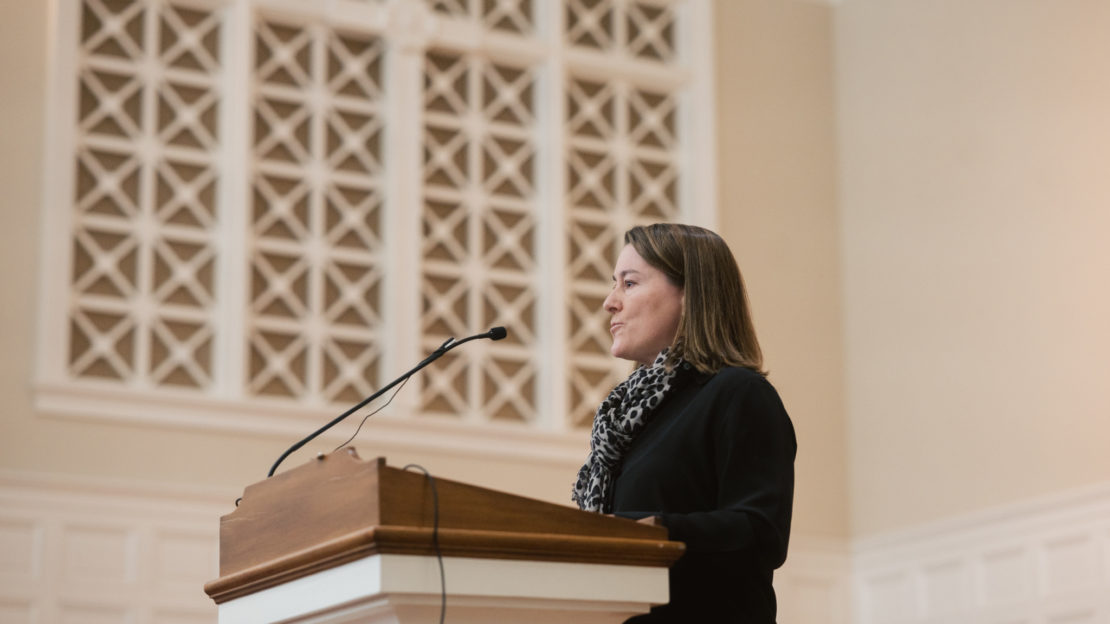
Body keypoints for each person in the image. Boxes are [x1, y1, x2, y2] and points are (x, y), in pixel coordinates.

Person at [572, 223, 796, 623]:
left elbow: (760, 533)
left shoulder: (737, 393)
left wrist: (643, 531)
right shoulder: (628, 423)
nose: (610, 301)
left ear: (690, 295)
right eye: (613, 285)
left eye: (629, 283)